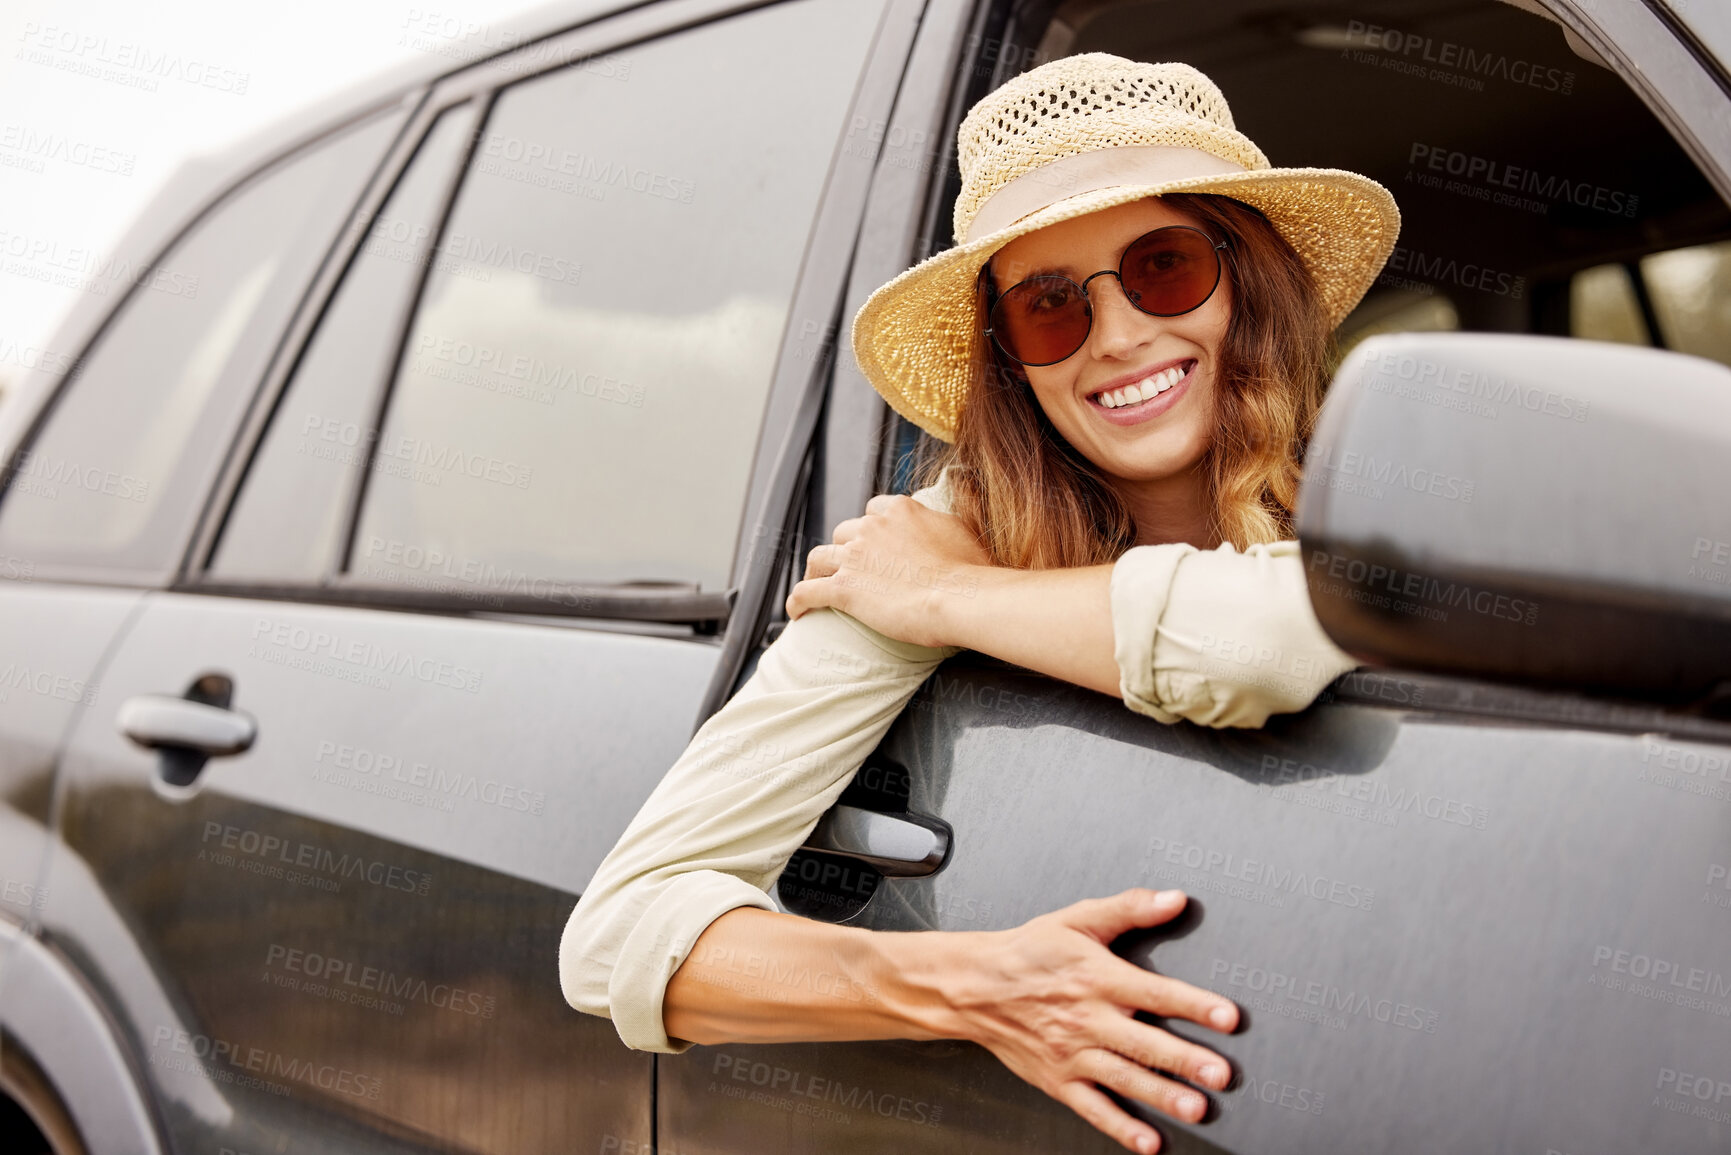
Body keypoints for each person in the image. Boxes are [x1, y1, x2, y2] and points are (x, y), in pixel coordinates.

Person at [559, 53, 1398, 1155]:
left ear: (1252, 279)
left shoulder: (1393, 480)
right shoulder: (922, 545)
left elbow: (1272, 636)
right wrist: (966, 983)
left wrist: (954, 600)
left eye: (1165, 264)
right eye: (1051, 306)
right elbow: (619, 936)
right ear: (1009, 355)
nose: (1118, 336)